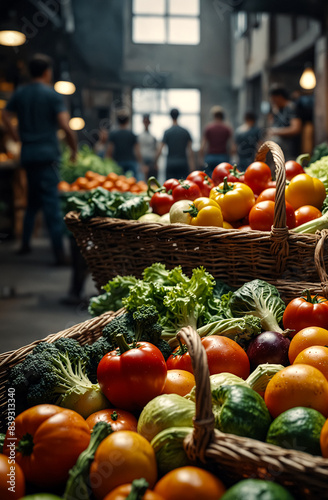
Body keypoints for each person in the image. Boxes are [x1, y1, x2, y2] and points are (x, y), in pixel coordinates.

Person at [2, 53, 77, 265]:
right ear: (47, 72)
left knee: (33, 202)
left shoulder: (21, 93)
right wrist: (73, 149)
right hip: (47, 157)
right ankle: (59, 254)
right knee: (52, 204)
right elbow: (64, 125)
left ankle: (25, 244)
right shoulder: (52, 95)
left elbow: (5, 115)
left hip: (28, 154)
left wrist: (16, 135)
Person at [155, 108, 195, 180]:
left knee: (170, 187)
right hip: (183, 163)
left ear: (170, 116)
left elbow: (160, 149)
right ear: (178, 116)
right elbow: (190, 151)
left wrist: (155, 162)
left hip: (171, 163)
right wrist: (192, 166)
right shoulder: (185, 131)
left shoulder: (167, 132)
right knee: (183, 187)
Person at [267, 85, 302, 160]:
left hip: (290, 148)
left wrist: (276, 132)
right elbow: (271, 124)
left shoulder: (291, 108)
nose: (273, 102)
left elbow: (296, 129)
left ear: (279, 97)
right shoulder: (277, 110)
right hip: (280, 149)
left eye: (274, 100)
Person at [106, 110, 143, 177]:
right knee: (131, 184)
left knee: (118, 184)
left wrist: (107, 163)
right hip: (131, 162)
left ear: (117, 121)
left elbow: (109, 150)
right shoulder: (132, 134)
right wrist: (141, 164)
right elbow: (137, 151)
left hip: (117, 163)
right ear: (127, 121)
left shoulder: (113, 134)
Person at [199, 106, 233, 177]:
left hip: (210, 157)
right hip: (223, 157)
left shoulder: (208, 128)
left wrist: (201, 160)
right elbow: (233, 148)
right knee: (222, 179)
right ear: (222, 116)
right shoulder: (227, 128)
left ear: (214, 116)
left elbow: (202, 146)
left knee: (209, 180)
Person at [138, 113, 157, 180]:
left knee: (152, 181)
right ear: (143, 122)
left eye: (147, 121)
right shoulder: (139, 137)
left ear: (149, 122)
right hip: (142, 162)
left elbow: (156, 150)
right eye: (145, 121)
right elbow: (137, 150)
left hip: (151, 162)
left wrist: (156, 163)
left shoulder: (153, 137)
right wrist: (141, 164)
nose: (146, 123)